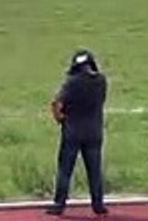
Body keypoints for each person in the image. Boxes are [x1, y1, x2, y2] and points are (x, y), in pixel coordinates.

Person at [47, 50, 107, 217]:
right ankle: (98, 205)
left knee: (65, 170)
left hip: (72, 130)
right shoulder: (101, 81)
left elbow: (56, 104)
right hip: (94, 131)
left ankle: (59, 204)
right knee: (94, 171)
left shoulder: (71, 82)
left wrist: (61, 119)